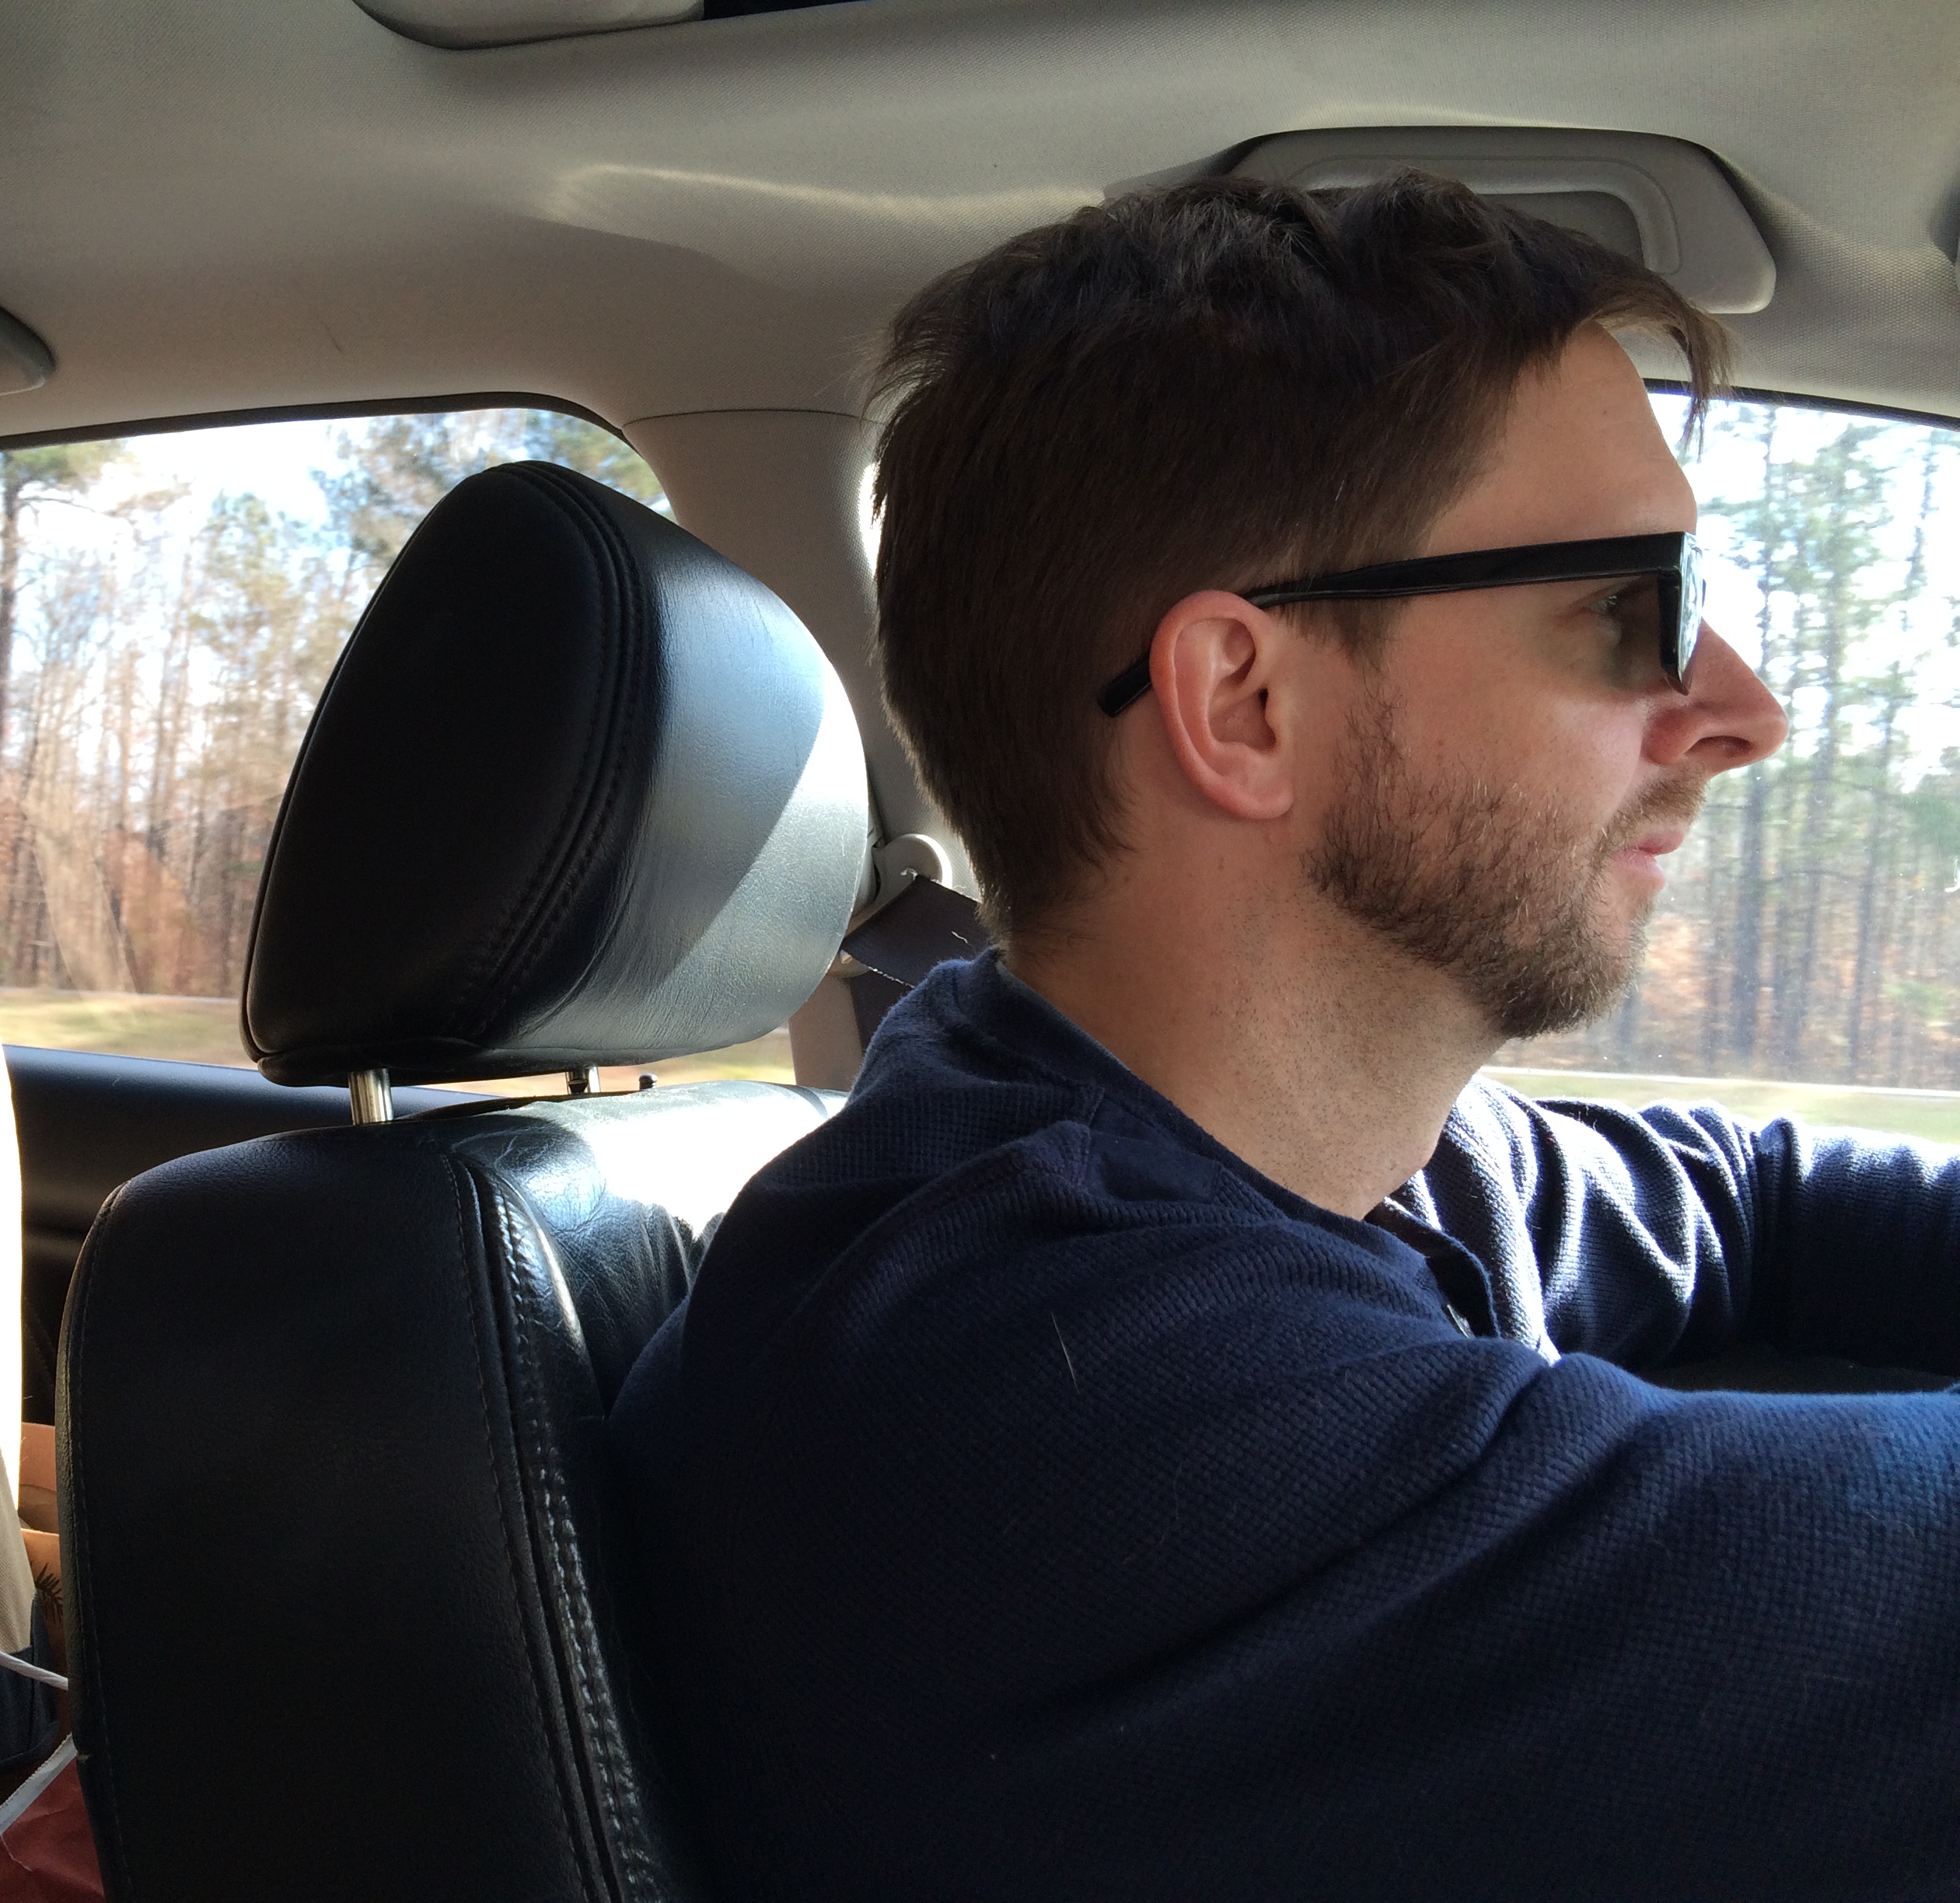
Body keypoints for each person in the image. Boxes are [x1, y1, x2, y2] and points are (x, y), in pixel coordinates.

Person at [610, 173, 1960, 1901]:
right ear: (1244, 703)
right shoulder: (1041, 1393)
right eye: (1632, 606)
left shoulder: (1265, 1141)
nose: (1744, 712)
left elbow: (1743, 1198)